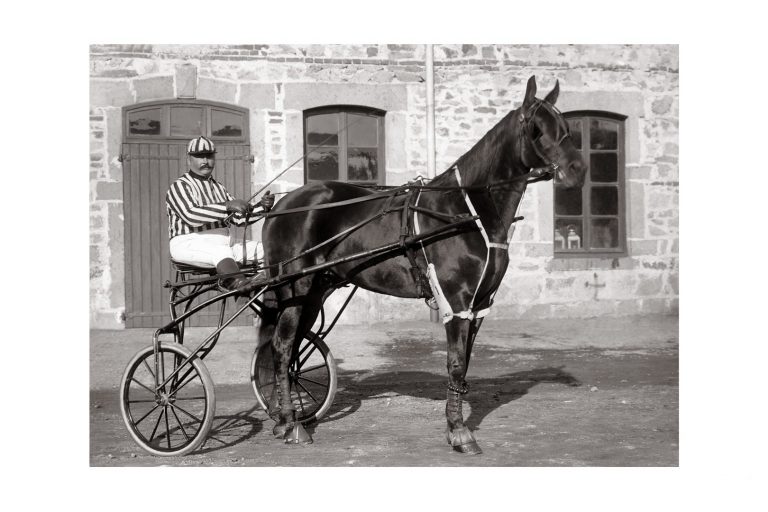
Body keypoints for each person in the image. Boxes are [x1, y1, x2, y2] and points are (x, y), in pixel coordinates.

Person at [166, 136, 275, 291]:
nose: (205, 161)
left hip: (224, 244)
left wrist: (261, 208)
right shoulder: (179, 186)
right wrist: (227, 206)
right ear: (189, 159)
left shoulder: (219, 187)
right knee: (220, 251)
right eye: (199, 156)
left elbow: (237, 219)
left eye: (209, 156)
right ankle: (239, 284)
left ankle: (268, 289)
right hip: (188, 243)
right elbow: (191, 216)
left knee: (267, 249)